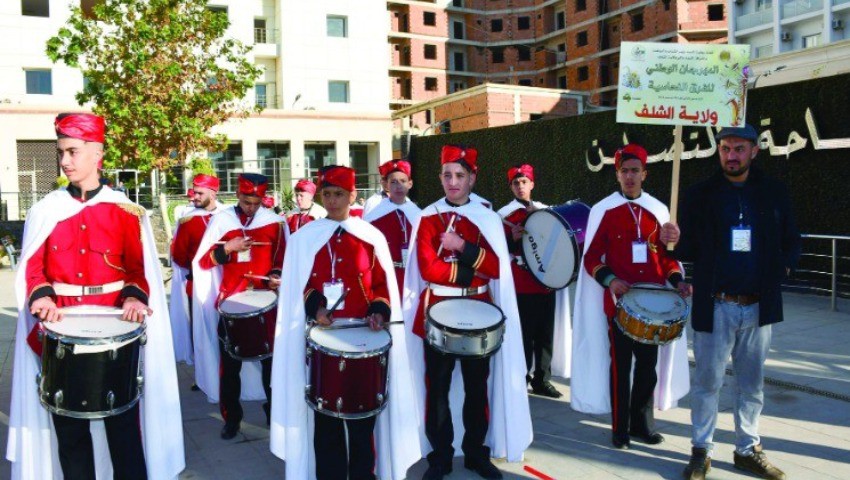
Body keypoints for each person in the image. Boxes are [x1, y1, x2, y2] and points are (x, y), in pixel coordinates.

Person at [7, 112, 184, 479]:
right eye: (61, 153)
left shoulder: (125, 211)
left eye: (72, 151)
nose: (65, 161)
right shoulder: (45, 210)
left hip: (114, 335)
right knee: (70, 435)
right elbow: (34, 268)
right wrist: (41, 296)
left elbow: (138, 270)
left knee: (124, 432)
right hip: (61, 334)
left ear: (97, 153)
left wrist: (135, 298)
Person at [664, 124, 800, 480]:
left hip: (758, 307)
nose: (731, 155)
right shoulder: (700, 194)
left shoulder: (774, 192)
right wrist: (669, 240)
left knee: (751, 385)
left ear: (754, 151)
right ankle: (701, 449)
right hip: (716, 304)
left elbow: (793, 238)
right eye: (725, 148)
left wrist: (782, 268)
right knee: (708, 382)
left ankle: (747, 449)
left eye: (739, 148)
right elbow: (687, 248)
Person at [271, 165, 421, 479]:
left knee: (363, 424)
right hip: (323, 342)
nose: (332, 201)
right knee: (326, 424)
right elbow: (299, 285)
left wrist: (378, 311)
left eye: (339, 194)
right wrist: (316, 307)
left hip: (364, 343)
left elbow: (381, 285)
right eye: (326, 194)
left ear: (352, 195)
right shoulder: (303, 238)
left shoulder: (370, 236)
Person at [402, 144, 531, 480]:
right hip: (438, 310)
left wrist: (462, 247)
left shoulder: (487, 217)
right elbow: (428, 269)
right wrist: (474, 270)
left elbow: (498, 266)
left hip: (479, 310)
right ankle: (440, 457)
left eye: (460, 175)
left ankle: (476, 453)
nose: (453, 181)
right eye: (447, 175)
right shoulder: (427, 217)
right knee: (438, 389)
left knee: (477, 389)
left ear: (472, 178)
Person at [571, 143, 690, 449]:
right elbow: (591, 257)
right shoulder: (604, 211)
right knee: (620, 368)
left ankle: (642, 424)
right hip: (619, 304)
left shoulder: (659, 211)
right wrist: (610, 280)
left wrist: (678, 281)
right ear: (617, 174)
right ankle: (620, 428)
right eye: (624, 171)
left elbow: (667, 259)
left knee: (648, 369)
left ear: (644, 174)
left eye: (635, 171)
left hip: (653, 305)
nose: (630, 176)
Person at [193, 173, 287, 439]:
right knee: (230, 365)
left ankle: (274, 413)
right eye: (247, 202)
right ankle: (232, 418)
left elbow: (282, 255)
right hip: (231, 302)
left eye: (257, 203)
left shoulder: (275, 222)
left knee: (271, 364)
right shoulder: (222, 221)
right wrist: (228, 248)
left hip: (266, 304)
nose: (252, 208)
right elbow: (203, 262)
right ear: (238, 195)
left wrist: (277, 274)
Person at [496, 164, 571, 398]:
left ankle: (543, 379)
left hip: (546, 283)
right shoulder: (503, 216)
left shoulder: (546, 211)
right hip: (521, 284)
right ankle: (521, 378)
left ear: (532, 184)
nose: (520, 186)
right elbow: (497, 250)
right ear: (511, 187)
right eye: (516, 183)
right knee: (524, 335)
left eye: (524, 182)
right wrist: (511, 238)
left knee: (545, 336)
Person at [169, 174, 225, 369]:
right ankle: (204, 371)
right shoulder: (188, 221)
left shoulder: (227, 216)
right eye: (194, 192)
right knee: (200, 330)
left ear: (213, 192)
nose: (195, 197)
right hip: (198, 284)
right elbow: (178, 255)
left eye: (200, 193)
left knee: (224, 328)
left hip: (226, 283)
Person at [364, 159, 422, 291]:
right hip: (385, 277)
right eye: (393, 182)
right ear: (386, 185)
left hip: (413, 276)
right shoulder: (374, 215)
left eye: (403, 181)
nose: (399, 186)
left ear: (410, 184)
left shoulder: (419, 214)